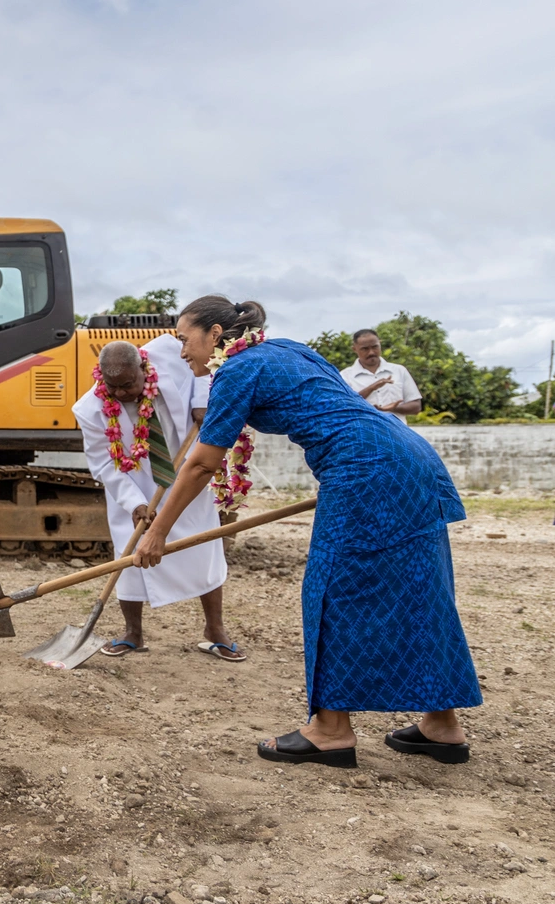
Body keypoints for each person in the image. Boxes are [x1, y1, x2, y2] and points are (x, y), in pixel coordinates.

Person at [134, 296, 480, 769]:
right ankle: (442, 725)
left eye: (183, 339)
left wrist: (157, 534)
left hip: (365, 468)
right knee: (421, 589)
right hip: (407, 455)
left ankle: (331, 730)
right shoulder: (291, 348)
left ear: (215, 335)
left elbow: (200, 464)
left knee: (331, 590)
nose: (181, 351)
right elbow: (337, 405)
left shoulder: (235, 370)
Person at [72, 336, 240, 660]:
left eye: (129, 384)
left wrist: (204, 403)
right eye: (114, 387)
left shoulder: (170, 354)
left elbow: (207, 367)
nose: (121, 393)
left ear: (143, 368)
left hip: (186, 473)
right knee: (130, 555)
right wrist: (134, 502)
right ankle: (133, 633)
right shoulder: (90, 408)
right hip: (132, 487)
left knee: (204, 546)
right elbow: (103, 463)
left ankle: (215, 630)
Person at [339, 329, 422, 421]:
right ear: (354, 349)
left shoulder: (399, 371)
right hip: (364, 433)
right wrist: (372, 387)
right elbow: (343, 407)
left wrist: (393, 408)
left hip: (396, 433)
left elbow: (416, 407)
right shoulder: (344, 376)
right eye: (365, 349)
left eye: (375, 347)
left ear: (380, 344)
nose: (371, 352)